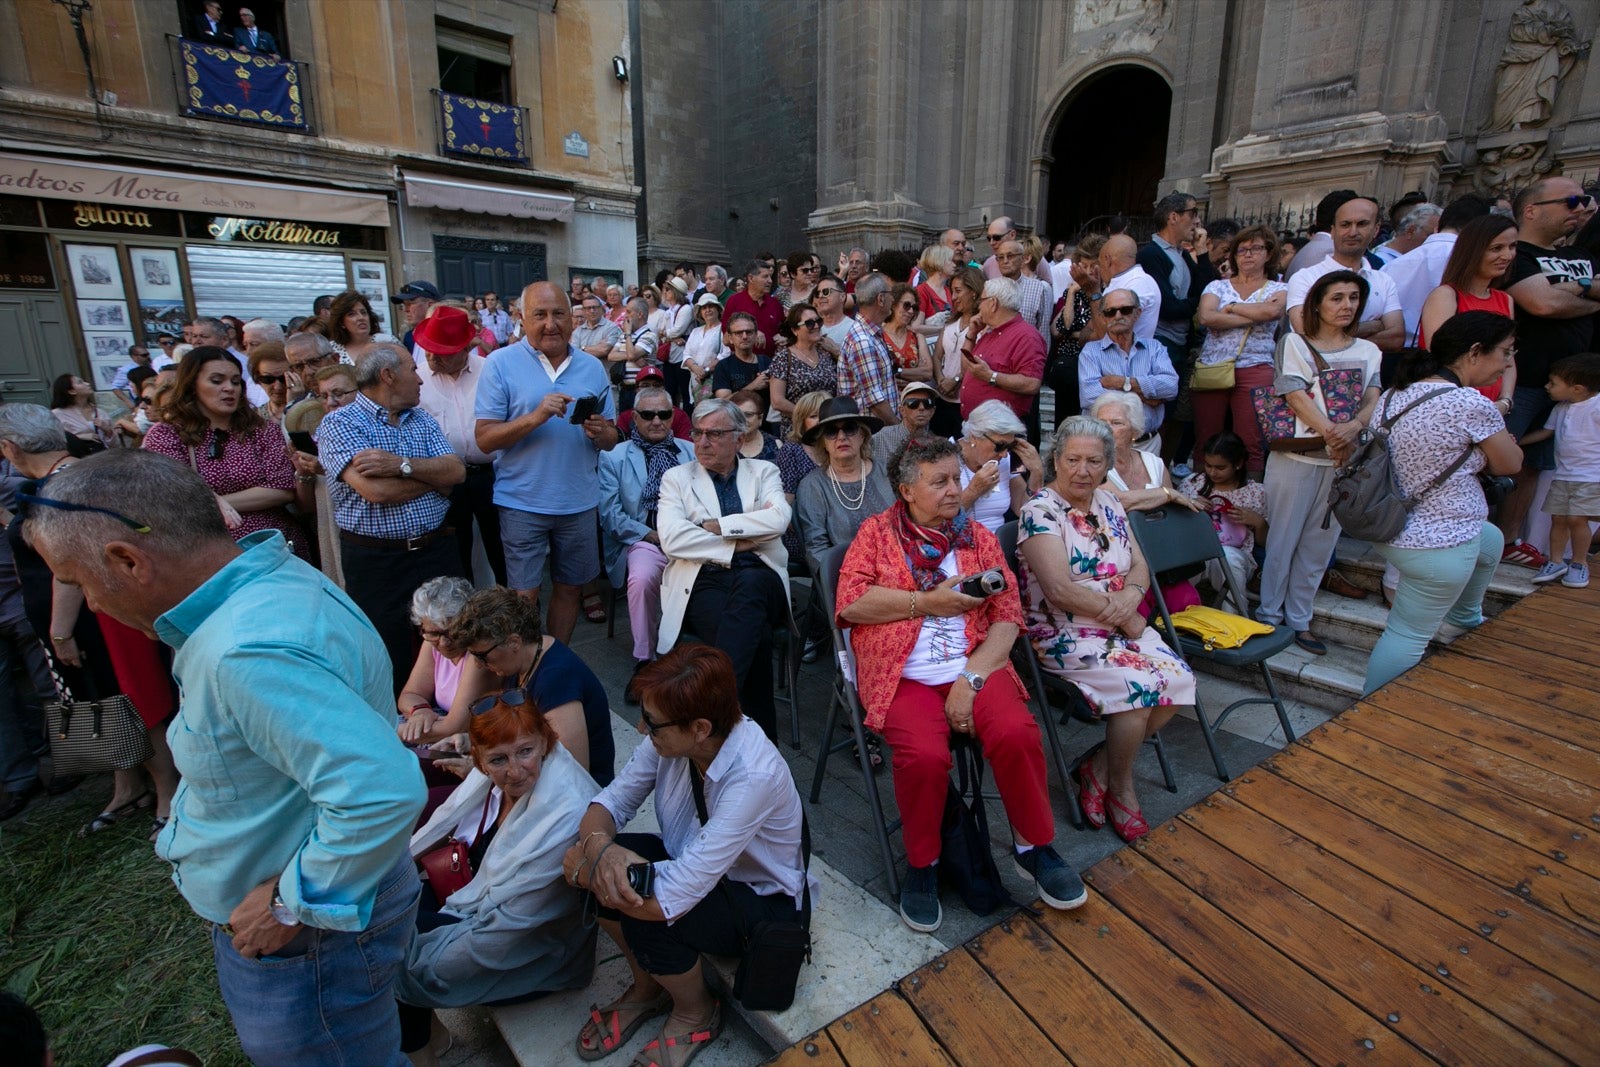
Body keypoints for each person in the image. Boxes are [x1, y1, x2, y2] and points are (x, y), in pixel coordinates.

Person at [24, 448, 425, 1064]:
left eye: (78, 583)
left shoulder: (245, 649)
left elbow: (381, 789)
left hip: (309, 939)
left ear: (127, 560)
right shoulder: (268, 579)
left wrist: (290, 903)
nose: (92, 608)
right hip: (324, 919)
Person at [837, 436, 1085, 931]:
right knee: (925, 758)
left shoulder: (976, 537)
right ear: (907, 490)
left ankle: (1033, 848)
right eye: (941, 481)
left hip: (975, 666)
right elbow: (851, 605)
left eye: (958, 478)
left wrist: (971, 679)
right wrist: (926, 603)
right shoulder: (875, 535)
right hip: (903, 674)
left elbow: (1008, 615)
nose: (956, 490)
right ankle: (923, 863)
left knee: (1017, 733)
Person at [563, 645, 809, 1065]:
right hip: (695, 863)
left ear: (699, 727)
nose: (642, 729)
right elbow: (607, 806)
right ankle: (648, 984)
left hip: (758, 899)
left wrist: (592, 867)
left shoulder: (752, 775)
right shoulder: (671, 740)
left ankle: (697, 1012)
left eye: (653, 724)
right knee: (600, 869)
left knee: (643, 907)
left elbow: (671, 896)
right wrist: (599, 851)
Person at [0, 406, 180, 836]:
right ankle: (127, 784)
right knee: (89, 699)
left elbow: (70, 567)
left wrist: (59, 631)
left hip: (96, 614)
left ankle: (165, 791)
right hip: (79, 613)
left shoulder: (67, 485)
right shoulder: (67, 478)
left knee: (131, 698)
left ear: (10, 447)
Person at [1017, 416, 1196, 841]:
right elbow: (1060, 590)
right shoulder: (1039, 511)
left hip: (1119, 621)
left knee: (1180, 680)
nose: (1083, 470)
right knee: (1137, 694)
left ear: (1107, 464)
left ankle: (1096, 769)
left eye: (1094, 461)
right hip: (1063, 632)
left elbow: (1138, 564)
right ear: (1056, 459)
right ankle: (1122, 788)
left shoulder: (1110, 503)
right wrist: (1127, 615)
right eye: (1073, 459)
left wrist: (1133, 597)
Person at [399, 689, 598, 1067]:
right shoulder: (486, 778)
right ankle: (429, 1040)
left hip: (536, 946)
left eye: (526, 751)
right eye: (498, 759)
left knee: (391, 957)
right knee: (386, 923)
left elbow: (516, 925)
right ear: (479, 759)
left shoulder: (566, 810)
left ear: (544, 742)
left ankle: (421, 1052)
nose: (515, 769)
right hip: (476, 901)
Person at [1362, 314, 1522, 694]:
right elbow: (1511, 464)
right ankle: (1367, 711)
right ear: (1474, 353)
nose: (1506, 363)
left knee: (1490, 540)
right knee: (1405, 635)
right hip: (1439, 545)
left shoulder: (1396, 393)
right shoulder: (1469, 402)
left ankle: (1465, 619)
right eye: (1504, 353)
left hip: (1391, 525)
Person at [475, 281, 621, 645]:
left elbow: (612, 439)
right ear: (521, 319)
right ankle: (523, 675)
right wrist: (536, 416)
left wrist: (601, 432)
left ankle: (553, 664)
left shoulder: (592, 367)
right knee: (523, 597)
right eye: (539, 315)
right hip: (521, 501)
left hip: (580, 501)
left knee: (571, 588)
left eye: (558, 313)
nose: (550, 323)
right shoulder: (499, 363)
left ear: (572, 319)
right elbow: (485, 439)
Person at [316, 344, 465, 690]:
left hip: (436, 549)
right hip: (378, 561)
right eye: (413, 370)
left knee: (455, 641)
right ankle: (399, 730)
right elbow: (377, 492)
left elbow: (456, 472)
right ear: (388, 376)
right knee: (388, 651)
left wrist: (400, 465)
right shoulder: (339, 424)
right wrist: (434, 481)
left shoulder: (422, 418)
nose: (420, 380)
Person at [1257, 270, 1383, 655]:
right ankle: (1268, 617)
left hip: (1341, 461)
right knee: (1281, 540)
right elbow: (1292, 392)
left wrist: (1355, 428)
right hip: (1297, 455)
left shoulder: (1369, 350)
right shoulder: (1295, 342)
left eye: (1353, 297)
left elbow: (1373, 394)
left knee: (1318, 544)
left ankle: (1300, 619)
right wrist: (1333, 432)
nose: (1346, 305)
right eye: (1337, 298)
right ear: (1318, 304)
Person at [656, 398, 791, 739]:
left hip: (762, 573)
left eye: (714, 434)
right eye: (698, 433)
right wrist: (738, 540)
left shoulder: (764, 471)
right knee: (754, 635)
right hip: (704, 579)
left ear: (739, 440)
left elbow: (778, 519)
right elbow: (671, 538)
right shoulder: (676, 478)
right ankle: (761, 744)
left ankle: (709, 708)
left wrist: (716, 527)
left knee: (751, 583)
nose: (701, 442)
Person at [400, 586, 614, 785]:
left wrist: (484, 771)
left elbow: (573, 772)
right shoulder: (520, 663)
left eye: (482, 655)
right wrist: (471, 743)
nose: (478, 664)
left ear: (513, 642)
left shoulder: (557, 680)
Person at [1499, 176, 1600, 567]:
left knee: (1534, 465)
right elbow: (1541, 304)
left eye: (1583, 201)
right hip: (1521, 378)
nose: (1579, 209)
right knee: (1500, 457)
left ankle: (1509, 540)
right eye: (1570, 201)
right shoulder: (1515, 253)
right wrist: (1589, 297)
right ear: (1531, 210)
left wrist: (1569, 288)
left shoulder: (1582, 256)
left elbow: (1552, 298)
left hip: (1570, 387)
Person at [141, 347, 306, 556]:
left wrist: (217, 502)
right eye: (217, 381)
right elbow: (174, 496)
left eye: (236, 382)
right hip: (205, 550)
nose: (229, 388)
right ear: (192, 386)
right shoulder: (167, 434)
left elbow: (281, 490)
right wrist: (214, 503)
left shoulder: (262, 430)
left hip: (271, 546)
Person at [599, 385, 696, 684]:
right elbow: (610, 514)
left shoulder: (691, 451)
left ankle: (696, 657)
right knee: (641, 579)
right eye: (648, 414)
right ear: (634, 418)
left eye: (664, 414)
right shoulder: (614, 457)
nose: (656, 421)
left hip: (689, 538)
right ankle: (645, 660)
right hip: (643, 539)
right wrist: (650, 535)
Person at [415, 306, 508, 586]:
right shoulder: (417, 379)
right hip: (445, 481)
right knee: (455, 553)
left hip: (493, 474)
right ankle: (462, 617)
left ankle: (514, 612)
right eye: (427, 350)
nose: (432, 358)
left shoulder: (491, 371)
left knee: (502, 548)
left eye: (441, 352)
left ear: (465, 348)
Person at [1192, 225, 1289, 474]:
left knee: (1251, 439)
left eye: (1256, 248)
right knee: (1206, 437)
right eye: (1242, 250)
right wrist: (1255, 314)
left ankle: (1250, 496)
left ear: (1268, 253)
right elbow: (1206, 317)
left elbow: (1272, 312)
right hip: (1214, 367)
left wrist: (1232, 307)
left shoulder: (1279, 288)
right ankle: (1200, 492)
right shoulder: (1216, 286)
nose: (1248, 254)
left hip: (1256, 367)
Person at [1417, 214, 1519, 408]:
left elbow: (1509, 357)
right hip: (1451, 404)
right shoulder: (1446, 296)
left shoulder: (1505, 300)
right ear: (1473, 251)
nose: (1507, 256)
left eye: (1512, 247)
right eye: (1496, 248)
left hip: (1493, 405)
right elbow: (1441, 358)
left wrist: (1505, 401)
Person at [1286, 197, 1406, 351]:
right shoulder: (1305, 278)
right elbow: (1308, 336)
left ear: (1376, 230)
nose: (1353, 232)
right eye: (1345, 225)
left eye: (1362, 224)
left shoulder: (1384, 280)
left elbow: (1395, 338)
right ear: (1333, 231)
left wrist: (1333, 334)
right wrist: (1372, 326)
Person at [1525, 353, 1600, 587]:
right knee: (1558, 518)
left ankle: (1579, 563)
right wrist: (1516, 442)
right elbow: (1546, 432)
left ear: (1577, 388)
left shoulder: (1596, 406)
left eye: (1553, 383)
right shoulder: (1561, 408)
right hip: (1563, 475)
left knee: (1578, 519)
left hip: (1591, 477)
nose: (1547, 387)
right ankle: (1555, 561)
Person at [795, 397, 893, 573]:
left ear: (863, 435)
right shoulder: (812, 486)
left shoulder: (888, 472)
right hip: (851, 576)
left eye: (849, 429)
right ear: (823, 442)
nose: (841, 437)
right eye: (831, 432)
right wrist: (848, 579)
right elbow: (816, 549)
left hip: (899, 565)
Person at [1383, 193, 1496, 341]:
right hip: (1441, 350)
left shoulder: (1393, 264)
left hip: (1394, 349)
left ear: (1438, 226)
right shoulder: (1469, 262)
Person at [1178, 432, 1268, 613]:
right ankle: (1177, 615)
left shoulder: (1255, 492)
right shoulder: (1192, 483)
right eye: (1208, 465)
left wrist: (1257, 522)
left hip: (1236, 556)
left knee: (1227, 557)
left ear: (1238, 464)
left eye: (1220, 467)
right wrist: (1189, 506)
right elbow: (1177, 527)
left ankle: (1233, 619)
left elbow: (1265, 543)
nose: (1212, 472)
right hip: (1196, 550)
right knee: (1184, 562)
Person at [1077, 289, 1180, 447]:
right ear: (1103, 317)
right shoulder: (1090, 352)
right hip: (1104, 445)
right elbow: (1090, 397)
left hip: (1147, 443)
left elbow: (1170, 386)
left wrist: (1121, 382)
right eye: (1110, 312)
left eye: (1125, 310)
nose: (1118, 316)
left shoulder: (1155, 348)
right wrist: (1146, 397)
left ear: (1137, 313)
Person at [1087, 390, 1197, 514]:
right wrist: (1167, 493)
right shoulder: (1090, 463)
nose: (1106, 429)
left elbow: (1170, 509)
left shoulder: (1154, 463)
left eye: (1116, 423)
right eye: (1101, 423)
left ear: (1134, 430)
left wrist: (1171, 496)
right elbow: (1116, 501)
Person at [958, 277, 1047, 422]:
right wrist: (971, 335)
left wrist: (990, 376)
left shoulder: (1027, 337)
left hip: (1001, 430)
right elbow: (965, 369)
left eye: (982, 300)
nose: (979, 307)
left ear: (993, 304)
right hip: (977, 426)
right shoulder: (989, 332)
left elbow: (1032, 384)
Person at [397, 576, 477, 722]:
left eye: (452, 632)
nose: (444, 643)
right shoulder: (430, 641)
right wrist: (420, 711)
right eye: (434, 633)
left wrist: (402, 732)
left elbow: (456, 724)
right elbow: (410, 694)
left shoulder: (477, 652)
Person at [955, 400, 1042, 532]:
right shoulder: (946, 457)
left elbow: (1023, 510)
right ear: (974, 437)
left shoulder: (1006, 460)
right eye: (1000, 446)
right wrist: (973, 491)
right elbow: (938, 520)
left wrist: (1036, 472)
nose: (1004, 454)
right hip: (959, 543)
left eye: (1010, 446)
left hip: (998, 545)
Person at [1137, 191, 1202, 365]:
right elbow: (1168, 307)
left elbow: (1206, 287)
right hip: (1161, 343)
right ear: (1173, 217)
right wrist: (1199, 302)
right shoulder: (1151, 255)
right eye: (1193, 213)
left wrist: (1202, 252)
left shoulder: (1183, 255)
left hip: (1181, 343)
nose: (1197, 221)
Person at [835, 272, 899, 424]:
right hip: (872, 434)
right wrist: (899, 431)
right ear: (881, 299)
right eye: (891, 294)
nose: (893, 299)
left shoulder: (869, 334)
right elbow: (875, 400)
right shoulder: (863, 341)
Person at [767, 303, 837, 438]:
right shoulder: (783, 357)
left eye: (818, 321)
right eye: (809, 323)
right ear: (795, 330)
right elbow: (777, 401)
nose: (816, 326)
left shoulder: (826, 354)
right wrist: (808, 418)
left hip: (827, 430)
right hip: (798, 432)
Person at [1097, 235, 1162, 346]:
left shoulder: (1138, 283)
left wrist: (1093, 293)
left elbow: (1109, 334)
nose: (1098, 269)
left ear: (1107, 260)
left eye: (1099, 262)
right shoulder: (1122, 280)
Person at [609, 296, 660, 413]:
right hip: (624, 388)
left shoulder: (649, 335)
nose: (625, 315)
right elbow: (611, 356)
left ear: (640, 314)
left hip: (642, 390)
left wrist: (627, 334)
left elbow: (631, 355)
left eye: (629, 312)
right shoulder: (623, 336)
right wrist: (633, 357)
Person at [724, 259, 784, 354]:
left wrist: (783, 339)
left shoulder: (775, 303)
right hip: (743, 363)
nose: (770, 281)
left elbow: (783, 332)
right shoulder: (734, 302)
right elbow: (726, 339)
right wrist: (751, 334)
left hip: (770, 363)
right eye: (765, 277)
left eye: (770, 277)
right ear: (751, 278)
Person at [874, 380, 941, 460]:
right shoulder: (881, 438)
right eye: (913, 403)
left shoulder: (937, 443)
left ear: (933, 411)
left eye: (928, 403)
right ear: (902, 410)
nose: (921, 408)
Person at [327, 290, 398, 366]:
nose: (361, 318)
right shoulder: (332, 350)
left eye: (363, 312)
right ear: (341, 322)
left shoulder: (388, 341)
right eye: (352, 314)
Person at [683, 294, 730, 405]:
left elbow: (726, 353)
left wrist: (706, 370)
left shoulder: (723, 329)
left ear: (718, 309)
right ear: (700, 312)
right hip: (696, 380)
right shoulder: (695, 331)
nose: (707, 310)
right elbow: (686, 354)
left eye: (711, 306)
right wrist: (695, 368)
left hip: (715, 380)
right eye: (704, 308)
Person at [712, 312, 771, 399]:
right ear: (730, 338)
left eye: (749, 332)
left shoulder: (767, 362)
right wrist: (753, 386)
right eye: (739, 333)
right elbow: (723, 402)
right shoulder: (723, 366)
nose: (744, 336)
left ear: (755, 335)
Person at [48, 374, 113, 453]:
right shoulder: (58, 414)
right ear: (71, 391)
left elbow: (113, 444)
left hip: (103, 457)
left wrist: (107, 430)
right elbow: (52, 440)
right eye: (80, 382)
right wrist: (80, 437)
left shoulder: (100, 412)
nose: (87, 384)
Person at [389, 280, 442, 357]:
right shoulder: (409, 337)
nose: (406, 310)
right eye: (404, 305)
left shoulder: (448, 332)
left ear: (430, 305)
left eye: (410, 304)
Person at [247, 342, 292, 425]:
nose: (277, 387)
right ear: (258, 378)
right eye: (268, 379)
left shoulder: (312, 411)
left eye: (284, 378)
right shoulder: (252, 418)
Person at [915, 244, 953, 319]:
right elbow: (916, 326)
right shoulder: (921, 291)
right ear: (939, 263)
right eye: (950, 260)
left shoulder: (949, 290)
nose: (954, 264)